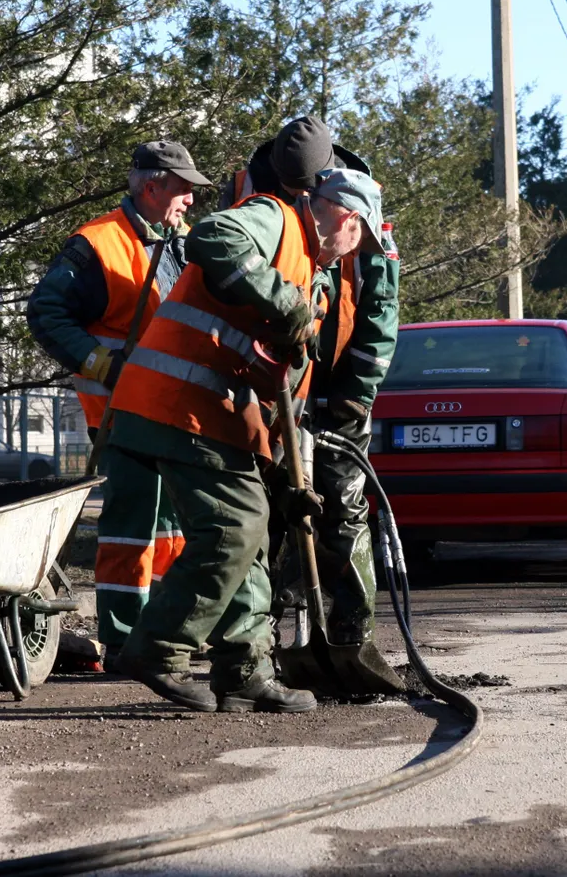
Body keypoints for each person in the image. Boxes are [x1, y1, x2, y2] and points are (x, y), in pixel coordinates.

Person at [107, 118, 376, 713]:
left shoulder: (314, 274)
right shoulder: (274, 219)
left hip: (214, 419)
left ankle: (244, 671)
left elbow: (284, 389)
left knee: (252, 536)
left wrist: (287, 475)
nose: (357, 246)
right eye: (357, 230)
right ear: (340, 212)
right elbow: (212, 237)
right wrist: (283, 304)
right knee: (233, 529)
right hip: (176, 407)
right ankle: (156, 648)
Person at [25, 141, 210, 661]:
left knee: (173, 528)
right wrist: (103, 366)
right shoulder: (99, 244)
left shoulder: (181, 242)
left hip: (177, 415)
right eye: (183, 189)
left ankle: (167, 632)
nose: (191, 200)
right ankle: (125, 638)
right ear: (152, 187)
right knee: (134, 527)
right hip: (122, 416)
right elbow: (46, 314)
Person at [308, 172, 394, 647]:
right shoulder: (282, 219)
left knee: (343, 505)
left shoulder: (372, 243)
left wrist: (355, 393)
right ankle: (264, 633)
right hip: (283, 393)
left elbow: (381, 321)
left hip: (341, 396)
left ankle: (352, 631)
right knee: (276, 510)